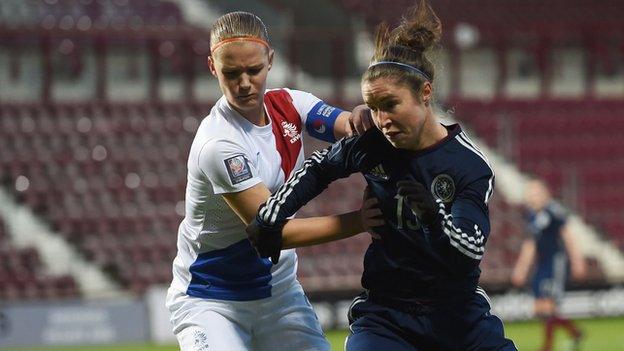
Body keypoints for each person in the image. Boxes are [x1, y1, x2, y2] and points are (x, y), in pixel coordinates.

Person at [246, 1, 517, 350]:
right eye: (372, 107)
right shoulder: (372, 143)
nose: (381, 118)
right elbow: (319, 169)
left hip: (458, 316)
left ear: (425, 93)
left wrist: (435, 216)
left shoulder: (469, 166)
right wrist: (270, 217)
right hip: (387, 315)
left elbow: (469, 250)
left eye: (390, 105)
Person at [165, 11, 373, 351]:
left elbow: (344, 123)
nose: (244, 82)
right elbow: (272, 229)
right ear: (213, 67)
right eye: (231, 73)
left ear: (271, 61)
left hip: (278, 293)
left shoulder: (291, 104)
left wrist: (362, 117)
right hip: (213, 300)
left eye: (254, 70)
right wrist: (360, 221)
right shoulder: (219, 144)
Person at [511, 179, 586, 351]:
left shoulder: (554, 211)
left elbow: (567, 236)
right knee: (539, 308)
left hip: (556, 262)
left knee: (548, 306)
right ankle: (575, 332)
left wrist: (577, 261)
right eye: (530, 194)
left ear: (546, 194)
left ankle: (547, 346)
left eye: (536, 193)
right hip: (542, 263)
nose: (532, 197)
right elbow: (530, 244)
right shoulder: (531, 216)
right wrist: (520, 270)